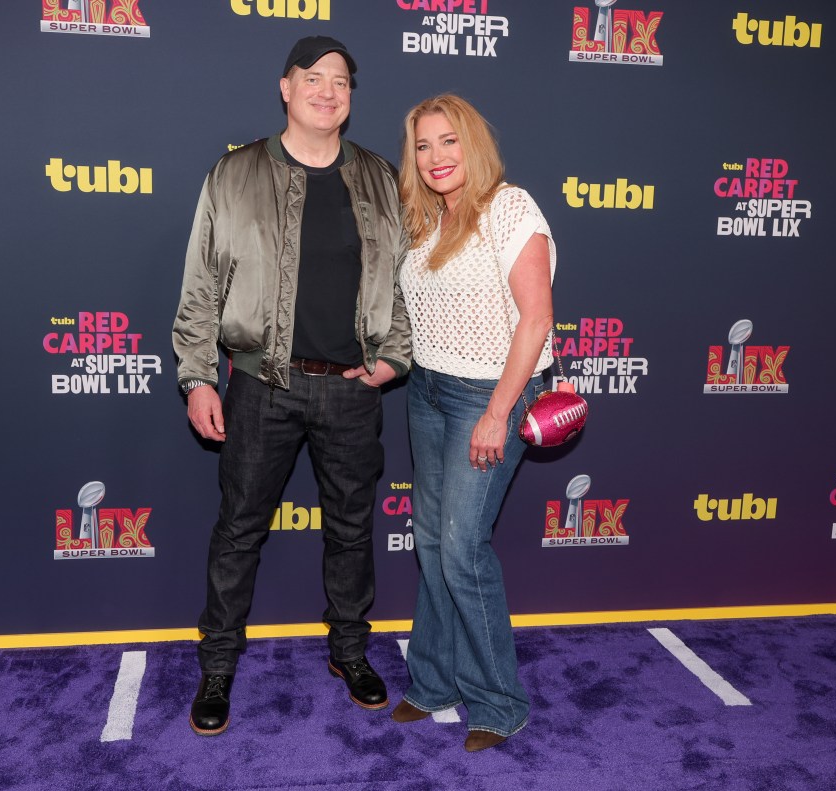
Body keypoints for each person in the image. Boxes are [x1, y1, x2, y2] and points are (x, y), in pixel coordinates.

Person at [172, 36, 411, 737]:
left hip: (351, 388)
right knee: (239, 530)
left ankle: (350, 652)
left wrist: (394, 357)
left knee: (351, 529)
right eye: (314, 77)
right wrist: (196, 375)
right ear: (286, 88)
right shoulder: (234, 174)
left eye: (341, 81)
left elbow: (404, 283)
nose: (328, 90)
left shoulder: (380, 177)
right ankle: (217, 664)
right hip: (259, 385)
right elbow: (201, 287)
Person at [391, 94, 556, 752]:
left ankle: (498, 700)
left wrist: (496, 412)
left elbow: (536, 319)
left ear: (474, 145)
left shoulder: (510, 207)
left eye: (448, 141)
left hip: (488, 396)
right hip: (428, 389)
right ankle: (433, 682)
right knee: (432, 542)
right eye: (423, 146)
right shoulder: (427, 219)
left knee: (461, 549)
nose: (436, 157)